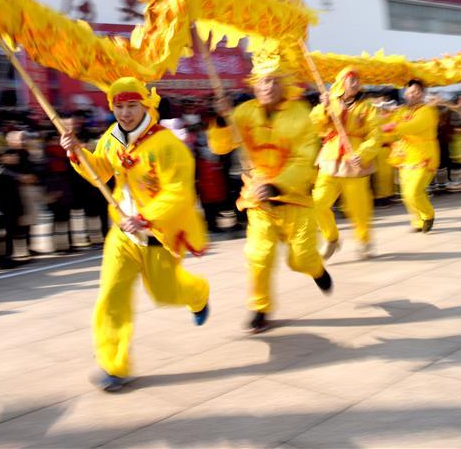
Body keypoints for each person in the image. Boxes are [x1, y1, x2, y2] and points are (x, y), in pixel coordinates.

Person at [60, 77, 210, 392]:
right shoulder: (111, 139)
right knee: (111, 295)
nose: (125, 113)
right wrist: (78, 154)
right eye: (119, 106)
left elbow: (179, 193)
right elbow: (100, 171)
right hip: (122, 235)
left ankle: (198, 295)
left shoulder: (168, 144)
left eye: (131, 106)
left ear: (145, 106)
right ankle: (114, 365)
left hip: (157, 235)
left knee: (166, 293)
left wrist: (145, 218)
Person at [209, 50, 332, 333]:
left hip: (294, 200)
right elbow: (220, 146)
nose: (268, 87)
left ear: (284, 84)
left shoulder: (300, 115)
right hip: (258, 202)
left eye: (274, 81)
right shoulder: (243, 112)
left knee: (301, 258)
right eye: (263, 81)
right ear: (254, 84)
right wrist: (221, 119)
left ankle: (316, 270)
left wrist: (276, 185)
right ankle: (259, 308)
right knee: (258, 256)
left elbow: (304, 160)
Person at [311, 66, 382, 260]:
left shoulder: (367, 107)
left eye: (358, 80)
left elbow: (375, 134)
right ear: (342, 82)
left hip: (354, 162)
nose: (356, 83)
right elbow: (316, 125)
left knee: (358, 208)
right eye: (352, 79)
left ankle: (364, 240)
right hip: (330, 160)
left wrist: (364, 152)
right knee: (317, 202)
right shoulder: (330, 102)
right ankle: (331, 237)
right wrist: (322, 108)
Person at [383, 80, 439, 232]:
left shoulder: (427, 111)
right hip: (405, 156)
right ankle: (418, 222)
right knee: (406, 195)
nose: (412, 94)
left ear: (422, 94)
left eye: (416, 91)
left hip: (424, 156)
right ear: (405, 93)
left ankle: (428, 215)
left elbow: (412, 127)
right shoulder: (402, 111)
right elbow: (388, 124)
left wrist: (392, 126)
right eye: (409, 91)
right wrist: (384, 118)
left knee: (413, 191)